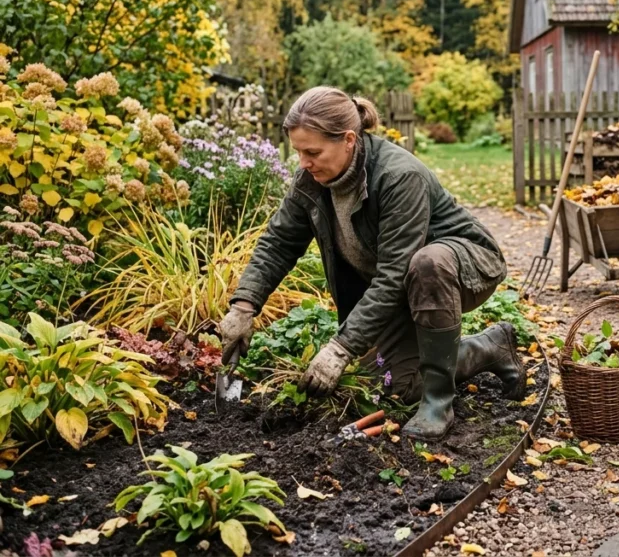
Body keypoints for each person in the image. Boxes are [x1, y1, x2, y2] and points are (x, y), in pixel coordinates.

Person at [218, 87, 525, 440]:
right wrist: (244, 306)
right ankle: (488, 347)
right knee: (390, 384)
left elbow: (395, 273)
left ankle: (438, 402)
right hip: (403, 285)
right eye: (298, 152)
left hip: (461, 265)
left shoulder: (397, 176)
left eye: (312, 152)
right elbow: (279, 242)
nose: (303, 162)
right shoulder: (311, 180)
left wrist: (341, 347)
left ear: (349, 140)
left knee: (428, 262)